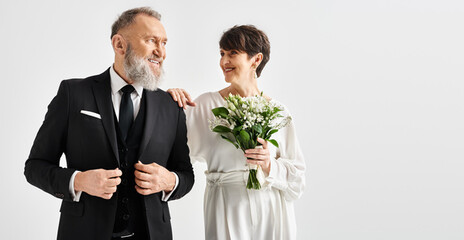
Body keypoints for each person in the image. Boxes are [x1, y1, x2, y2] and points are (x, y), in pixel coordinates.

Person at [24, 7, 194, 240]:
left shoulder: (171, 105)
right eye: (151, 40)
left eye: (164, 43)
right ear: (119, 44)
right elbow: (35, 167)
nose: (160, 52)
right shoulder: (73, 94)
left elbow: (186, 174)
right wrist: (78, 181)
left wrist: (170, 180)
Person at [168, 25, 306, 240]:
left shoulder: (279, 112)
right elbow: (173, 153)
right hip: (225, 206)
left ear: (256, 59)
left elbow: (298, 181)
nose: (224, 61)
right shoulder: (205, 105)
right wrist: (166, 105)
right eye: (222, 53)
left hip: (271, 209)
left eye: (233, 53)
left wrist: (269, 165)